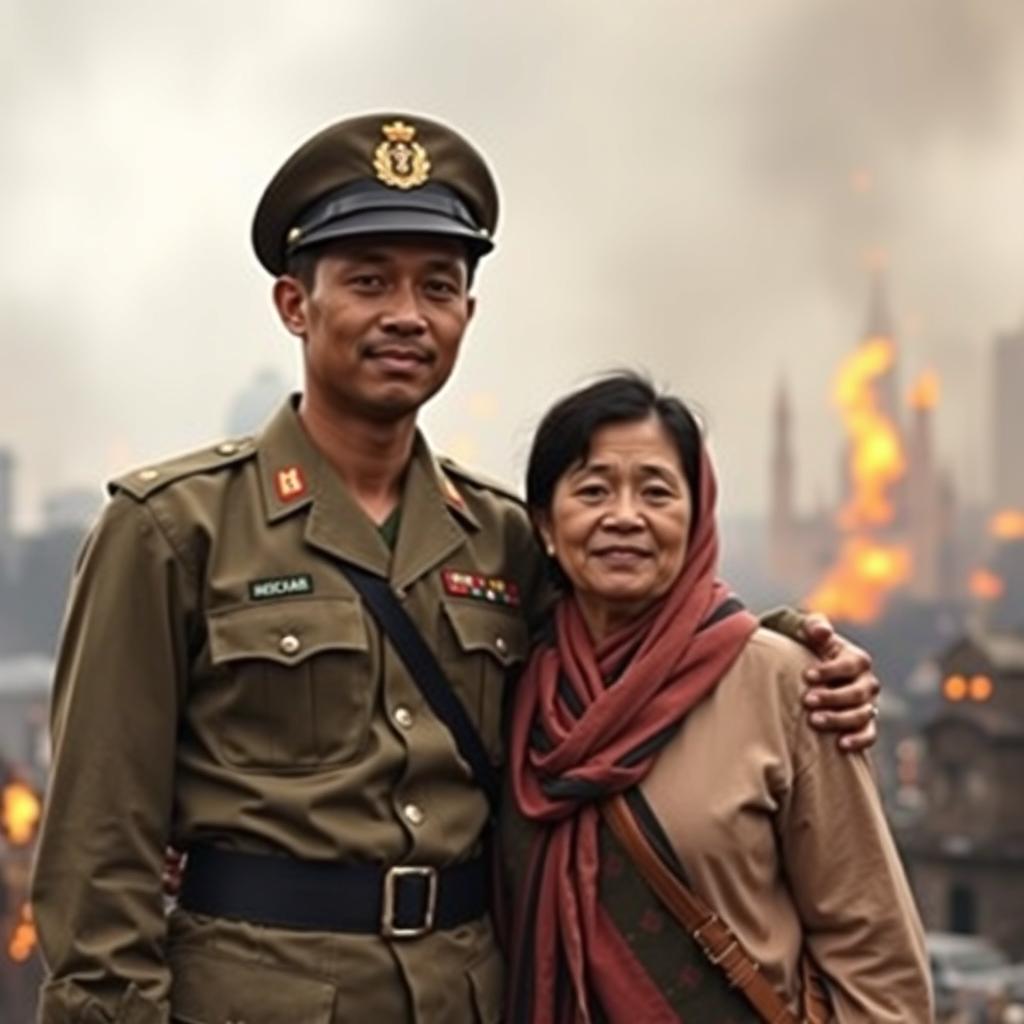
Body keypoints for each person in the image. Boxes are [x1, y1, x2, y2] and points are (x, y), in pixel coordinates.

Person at [32, 114, 881, 1024]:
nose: (407, 314)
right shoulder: (173, 530)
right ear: (294, 304)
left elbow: (642, 643)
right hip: (252, 994)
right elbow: (97, 849)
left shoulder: (508, 537)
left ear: (466, 317)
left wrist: (796, 649)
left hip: (465, 994)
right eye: (368, 282)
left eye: (438, 286)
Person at [504, 372, 933, 1023]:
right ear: (545, 526)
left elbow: (873, 953)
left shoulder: (783, 683)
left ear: (697, 515)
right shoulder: (515, 686)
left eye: (656, 492)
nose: (625, 517)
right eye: (593, 491)